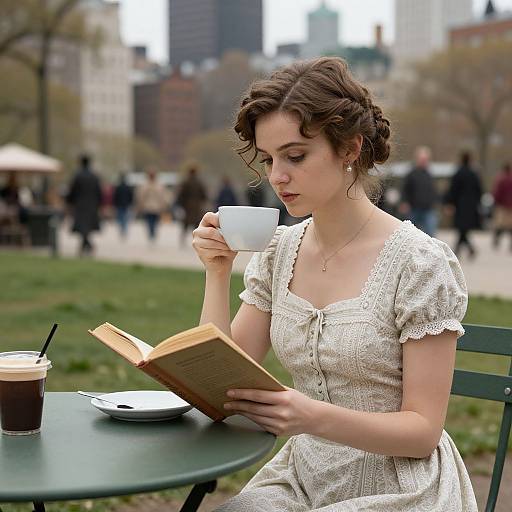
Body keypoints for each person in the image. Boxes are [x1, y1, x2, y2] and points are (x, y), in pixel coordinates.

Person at [192, 57, 477, 511]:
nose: (277, 176)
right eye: (269, 159)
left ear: (348, 149)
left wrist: (310, 416)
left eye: (296, 155)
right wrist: (218, 271)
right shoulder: (278, 252)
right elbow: (221, 382)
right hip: (302, 479)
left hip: (402, 486)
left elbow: (423, 433)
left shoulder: (419, 264)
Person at [444, 151, 483, 258]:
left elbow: (453, 190)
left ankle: (459, 251)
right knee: (463, 229)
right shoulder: (474, 174)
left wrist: (449, 203)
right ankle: (469, 249)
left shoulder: (458, 173)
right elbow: (479, 190)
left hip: (460, 206)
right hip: (471, 206)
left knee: (462, 229)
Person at [67, 154, 102, 255]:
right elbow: (98, 192)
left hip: (80, 204)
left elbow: (72, 191)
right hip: (92, 204)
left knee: (83, 226)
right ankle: (87, 245)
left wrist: (70, 202)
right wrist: (99, 203)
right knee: (87, 226)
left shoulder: (77, 176)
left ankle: (86, 245)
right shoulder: (94, 176)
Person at [400, 146, 438, 236]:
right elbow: (405, 190)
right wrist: (404, 202)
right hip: (414, 209)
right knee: (411, 234)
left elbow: (432, 191)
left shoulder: (429, 174)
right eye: (422, 159)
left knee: (430, 234)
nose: (424, 161)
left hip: (428, 209)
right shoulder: (411, 174)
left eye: (426, 159)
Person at [176, 165, 207, 246]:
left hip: (187, 207)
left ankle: (182, 240)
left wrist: (181, 205)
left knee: (185, 224)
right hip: (197, 207)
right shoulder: (199, 182)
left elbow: (181, 195)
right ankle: (198, 241)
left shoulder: (185, 182)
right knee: (197, 225)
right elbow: (204, 195)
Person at [135, 168, 168, 242]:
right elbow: (141, 196)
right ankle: (151, 232)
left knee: (155, 222)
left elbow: (162, 196)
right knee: (149, 221)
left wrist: (163, 205)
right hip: (148, 207)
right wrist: (140, 205)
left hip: (156, 207)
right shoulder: (145, 185)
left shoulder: (158, 185)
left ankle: (152, 232)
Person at [492, 162, 512, 251]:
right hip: (510, 205)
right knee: (510, 225)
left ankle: (496, 240)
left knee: (500, 224)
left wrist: (496, 201)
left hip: (502, 205)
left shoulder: (501, 179)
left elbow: (497, 192)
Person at [113, 173, 133, 239]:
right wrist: (130, 203)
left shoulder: (118, 187)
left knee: (120, 217)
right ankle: (124, 229)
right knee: (125, 217)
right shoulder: (128, 187)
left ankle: (122, 228)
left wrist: (115, 203)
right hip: (126, 204)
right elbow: (130, 196)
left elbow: (115, 196)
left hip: (119, 204)